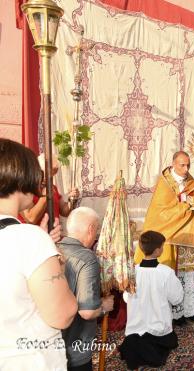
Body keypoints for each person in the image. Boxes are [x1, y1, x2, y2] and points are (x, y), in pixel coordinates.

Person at [0, 138, 77, 369]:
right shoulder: (29, 239)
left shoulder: (30, 238)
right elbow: (62, 314)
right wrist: (51, 255)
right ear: (22, 176)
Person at [134, 151, 194, 326]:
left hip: (188, 234)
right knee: (172, 275)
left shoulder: (193, 182)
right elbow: (160, 212)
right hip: (170, 236)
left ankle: (190, 311)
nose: (186, 169)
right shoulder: (165, 183)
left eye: (188, 165)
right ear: (174, 164)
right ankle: (176, 314)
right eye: (182, 165)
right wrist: (185, 207)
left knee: (189, 273)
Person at [59, 207, 114, 371]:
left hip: (50, 345)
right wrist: (104, 306)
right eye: (96, 229)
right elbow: (87, 311)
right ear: (91, 229)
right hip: (76, 348)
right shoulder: (87, 258)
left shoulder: (52, 248)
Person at [120, 231, 183, 369]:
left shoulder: (132, 272)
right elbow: (177, 299)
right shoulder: (166, 272)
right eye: (162, 246)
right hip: (159, 331)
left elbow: (126, 298)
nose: (163, 248)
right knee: (170, 340)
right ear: (157, 250)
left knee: (134, 341)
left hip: (134, 331)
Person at [20, 154, 79, 224]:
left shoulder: (52, 187)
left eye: (53, 173)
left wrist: (72, 199)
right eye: (49, 173)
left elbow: (64, 211)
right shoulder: (26, 187)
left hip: (53, 233)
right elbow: (30, 219)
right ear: (38, 168)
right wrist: (45, 197)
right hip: (35, 234)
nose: (51, 176)